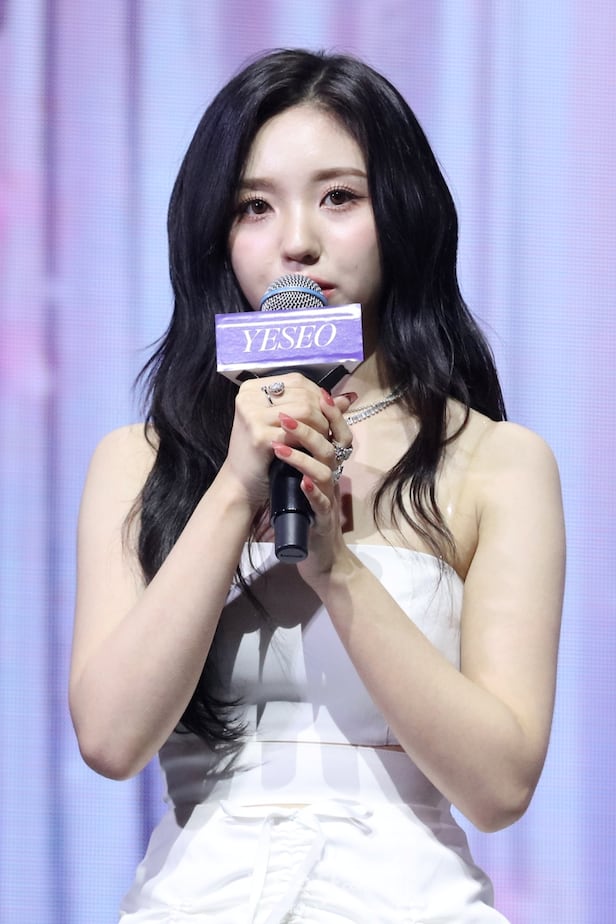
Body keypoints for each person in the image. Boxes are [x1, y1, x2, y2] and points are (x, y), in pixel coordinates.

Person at [70, 49, 565, 923]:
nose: (297, 242)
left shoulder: (497, 462)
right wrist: (234, 488)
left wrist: (336, 566)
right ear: (216, 235)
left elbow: (501, 786)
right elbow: (109, 739)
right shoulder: (139, 461)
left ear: (402, 211)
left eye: (339, 197)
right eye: (254, 207)